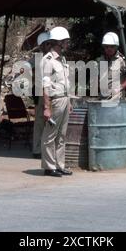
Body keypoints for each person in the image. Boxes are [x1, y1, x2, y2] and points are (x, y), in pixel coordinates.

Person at [40, 26, 73, 177]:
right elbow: (45, 86)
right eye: (66, 41)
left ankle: (60, 165)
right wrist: (47, 108)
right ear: (59, 42)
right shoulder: (48, 60)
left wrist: (70, 101)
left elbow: (65, 82)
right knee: (50, 135)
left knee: (62, 135)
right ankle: (49, 166)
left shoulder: (62, 59)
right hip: (55, 101)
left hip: (64, 100)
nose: (68, 44)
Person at [30, 32, 52, 158]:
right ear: (41, 46)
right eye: (47, 44)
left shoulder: (53, 57)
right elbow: (26, 69)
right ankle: (37, 150)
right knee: (39, 122)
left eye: (50, 43)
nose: (50, 46)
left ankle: (47, 149)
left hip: (52, 93)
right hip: (40, 93)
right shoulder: (37, 59)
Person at [96, 32, 126, 101]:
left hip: (117, 99)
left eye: (112, 46)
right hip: (103, 98)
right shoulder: (101, 60)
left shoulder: (122, 60)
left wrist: (120, 88)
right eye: (106, 46)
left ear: (116, 47)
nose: (109, 49)